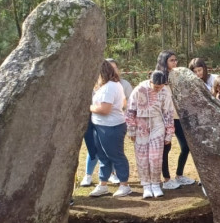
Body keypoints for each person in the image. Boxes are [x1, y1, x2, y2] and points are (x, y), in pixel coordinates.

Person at [80, 59, 131, 187]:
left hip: (111, 127)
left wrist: (89, 107)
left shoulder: (110, 86)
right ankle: (103, 184)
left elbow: (104, 110)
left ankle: (124, 185)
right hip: (101, 126)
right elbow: (123, 101)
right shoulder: (105, 86)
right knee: (103, 156)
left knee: (115, 155)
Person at [127, 71, 175, 199]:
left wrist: (169, 133)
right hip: (141, 123)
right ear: (150, 81)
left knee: (155, 157)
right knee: (142, 157)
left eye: (160, 86)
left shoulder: (165, 92)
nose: (158, 89)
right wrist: (131, 128)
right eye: (156, 86)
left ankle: (155, 183)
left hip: (157, 123)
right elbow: (131, 109)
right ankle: (146, 185)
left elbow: (169, 113)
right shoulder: (139, 89)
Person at [155, 50, 197, 189]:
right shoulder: (158, 77)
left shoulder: (178, 75)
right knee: (165, 149)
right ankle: (166, 179)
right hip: (163, 118)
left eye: (175, 60)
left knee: (186, 146)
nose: (175, 62)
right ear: (164, 61)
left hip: (178, 117)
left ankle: (179, 175)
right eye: (171, 60)